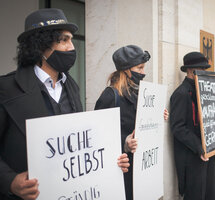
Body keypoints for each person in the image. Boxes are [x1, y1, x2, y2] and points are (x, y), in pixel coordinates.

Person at [0, 8, 129, 200]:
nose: (71, 47)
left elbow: (80, 144)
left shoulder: (72, 86)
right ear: (39, 45)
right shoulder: (6, 89)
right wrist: (9, 181)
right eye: (63, 40)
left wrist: (111, 158)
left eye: (71, 39)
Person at [94, 45, 168, 200]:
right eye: (139, 68)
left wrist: (157, 116)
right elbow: (98, 139)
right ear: (126, 69)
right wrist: (125, 144)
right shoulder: (110, 96)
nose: (143, 72)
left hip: (141, 171)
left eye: (144, 68)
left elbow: (142, 126)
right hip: (121, 172)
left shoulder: (140, 92)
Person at [170, 52, 215, 200]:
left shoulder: (205, 89)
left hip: (207, 152)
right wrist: (198, 147)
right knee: (196, 194)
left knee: (209, 193)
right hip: (192, 156)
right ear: (190, 70)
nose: (205, 72)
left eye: (205, 69)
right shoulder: (181, 93)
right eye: (202, 69)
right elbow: (178, 127)